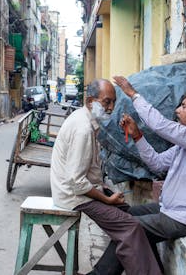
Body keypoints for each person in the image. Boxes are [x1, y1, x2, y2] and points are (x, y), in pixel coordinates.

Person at [93, 76, 186, 274]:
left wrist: (133, 94)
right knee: (128, 215)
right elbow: (157, 163)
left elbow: (161, 125)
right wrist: (137, 136)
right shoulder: (185, 144)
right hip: (173, 210)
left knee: (129, 227)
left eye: (184, 107)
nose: (177, 110)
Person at [50, 79, 162, 275]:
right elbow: (77, 183)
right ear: (90, 101)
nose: (110, 108)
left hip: (83, 189)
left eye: (113, 102)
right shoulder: (83, 129)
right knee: (131, 228)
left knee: (133, 218)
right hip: (73, 196)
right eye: (106, 102)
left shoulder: (88, 120)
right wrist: (107, 199)